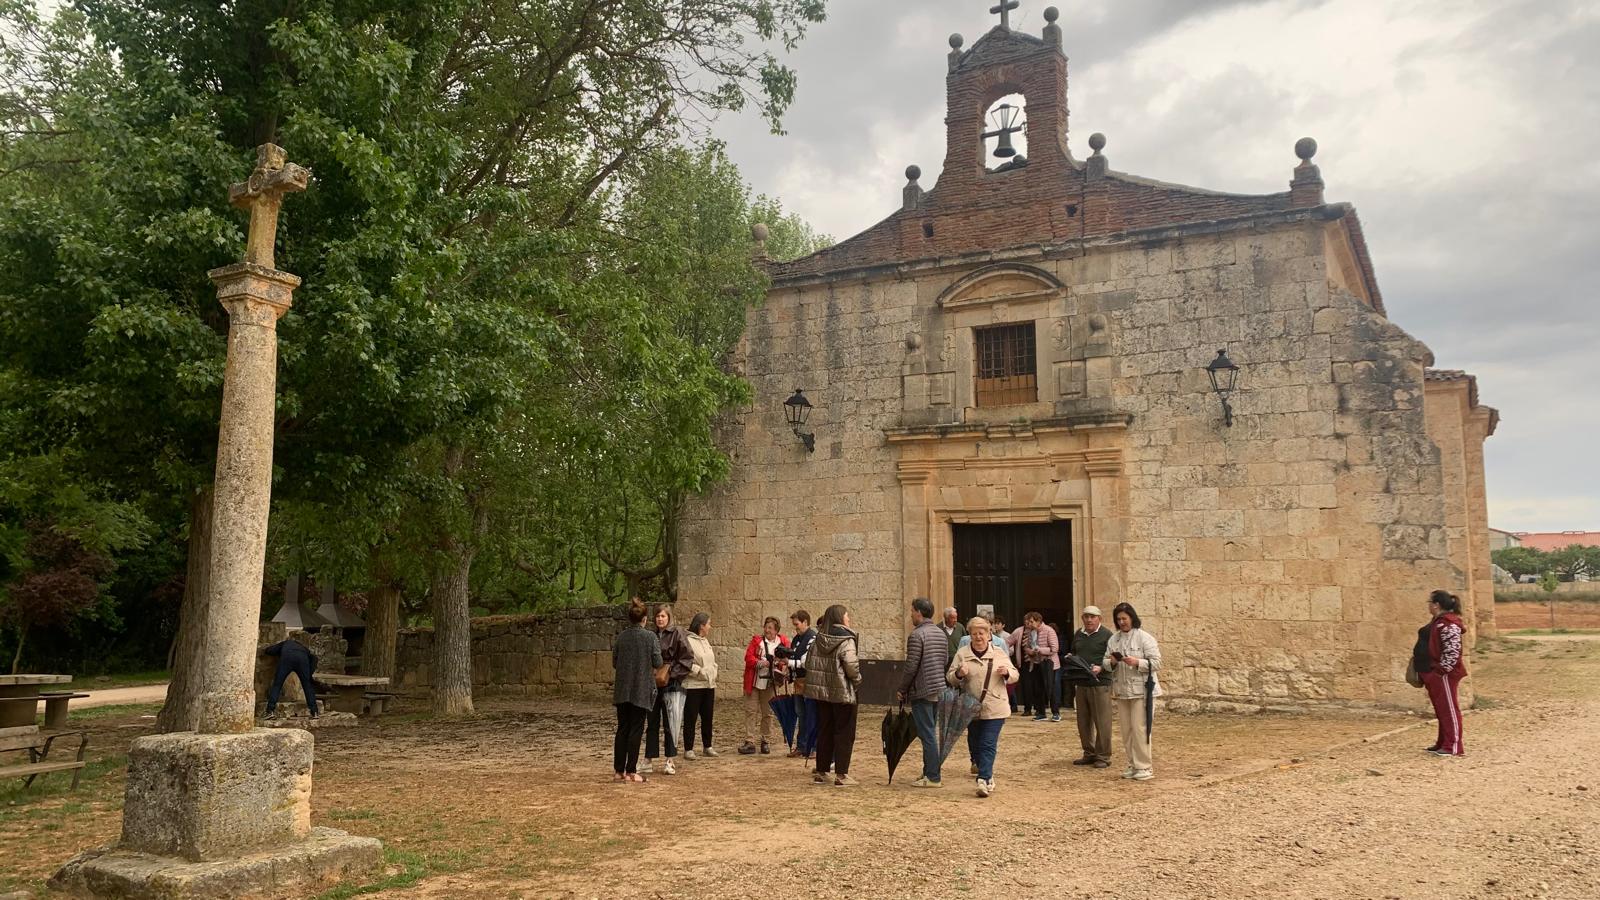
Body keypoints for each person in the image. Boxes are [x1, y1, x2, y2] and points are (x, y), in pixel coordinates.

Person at [947, 617, 1017, 798]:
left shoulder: (999, 653)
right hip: (971, 706)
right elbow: (950, 677)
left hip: (995, 705)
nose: (978, 637)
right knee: (975, 743)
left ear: (989, 634)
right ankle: (984, 770)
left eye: (982, 633)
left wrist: (1007, 673)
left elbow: (1015, 675)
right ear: (969, 635)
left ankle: (984, 779)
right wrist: (959, 674)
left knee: (988, 742)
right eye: (974, 633)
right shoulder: (962, 653)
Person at [804, 604, 863, 786]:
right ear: (840, 618)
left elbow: (809, 663)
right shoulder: (846, 640)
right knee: (844, 732)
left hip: (822, 693)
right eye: (846, 616)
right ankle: (841, 774)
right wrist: (858, 681)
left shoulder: (818, 640)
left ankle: (822, 771)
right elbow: (851, 666)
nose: (848, 619)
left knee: (825, 730)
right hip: (843, 692)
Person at [1104, 601, 1161, 781]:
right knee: (1127, 730)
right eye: (1118, 619)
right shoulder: (1114, 639)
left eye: (1124, 618)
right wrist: (1112, 662)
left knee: (1140, 729)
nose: (1122, 622)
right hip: (1122, 690)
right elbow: (1105, 662)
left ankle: (1144, 766)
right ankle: (1132, 763)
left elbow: (1157, 662)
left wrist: (1137, 662)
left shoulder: (1145, 638)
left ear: (1132, 618)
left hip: (1142, 690)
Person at [897, 597, 949, 788]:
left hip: (922, 689)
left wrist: (902, 689)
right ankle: (929, 771)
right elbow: (944, 660)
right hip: (938, 688)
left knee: (927, 734)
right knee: (930, 732)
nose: (910, 614)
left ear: (919, 612)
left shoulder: (917, 635)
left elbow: (911, 667)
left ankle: (933, 776)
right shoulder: (940, 633)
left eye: (912, 611)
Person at [613, 598, 663, 782]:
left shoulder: (621, 637)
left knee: (622, 728)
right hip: (641, 689)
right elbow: (658, 662)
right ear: (644, 619)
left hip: (622, 689)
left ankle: (618, 770)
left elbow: (615, 662)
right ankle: (631, 771)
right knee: (636, 729)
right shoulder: (650, 637)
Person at [641, 604, 692, 775]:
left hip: (671, 683)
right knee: (652, 721)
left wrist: (672, 673)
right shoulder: (651, 635)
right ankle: (648, 758)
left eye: (663, 616)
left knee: (671, 721)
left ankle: (670, 760)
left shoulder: (677, 633)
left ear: (668, 617)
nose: (660, 619)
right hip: (653, 683)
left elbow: (687, 658)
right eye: (657, 616)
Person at [1420, 590, 1468, 757]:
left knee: (1449, 709)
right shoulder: (1440, 622)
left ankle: (1453, 746)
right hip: (1437, 672)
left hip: (1444, 674)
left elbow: (1453, 650)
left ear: (1436, 604)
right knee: (1442, 709)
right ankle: (1443, 742)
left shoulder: (1449, 624)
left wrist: (1442, 671)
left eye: (1430, 602)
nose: (1428, 606)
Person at [1066, 606, 1114, 768]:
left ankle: (1103, 756)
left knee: (1102, 721)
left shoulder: (1107, 635)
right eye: (1086, 617)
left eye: (1092, 617)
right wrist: (1070, 658)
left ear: (1099, 618)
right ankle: (1089, 753)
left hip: (1101, 684)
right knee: (1083, 721)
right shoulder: (1079, 634)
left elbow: (1113, 658)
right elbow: (1074, 652)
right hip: (1082, 682)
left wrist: (1101, 667)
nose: (1089, 620)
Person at [740, 616, 790, 754]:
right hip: (755, 681)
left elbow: (787, 660)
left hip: (770, 682)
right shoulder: (757, 642)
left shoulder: (782, 643)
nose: (767, 630)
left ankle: (765, 740)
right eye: (766, 627)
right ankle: (749, 741)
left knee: (768, 713)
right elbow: (748, 657)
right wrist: (759, 662)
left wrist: (779, 665)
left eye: (770, 628)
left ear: (776, 630)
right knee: (751, 711)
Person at [682, 612, 719, 760]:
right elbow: (686, 662)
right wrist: (699, 672)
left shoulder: (705, 641)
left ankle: (707, 746)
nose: (710, 627)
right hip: (693, 685)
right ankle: (688, 748)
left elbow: (711, 660)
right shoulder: (688, 641)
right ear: (701, 626)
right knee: (691, 717)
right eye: (708, 624)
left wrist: (714, 671)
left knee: (707, 716)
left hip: (708, 685)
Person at [786, 610, 819, 761]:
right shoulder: (797, 639)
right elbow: (793, 654)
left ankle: (812, 747)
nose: (796, 628)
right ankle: (801, 746)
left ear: (805, 622)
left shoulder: (812, 638)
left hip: (809, 681)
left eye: (797, 624)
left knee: (811, 715)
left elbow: (808, 662)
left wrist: (790, 663)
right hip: (799, 682)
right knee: (801, 715)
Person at [263, 638, 319, 719]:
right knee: (307, 686)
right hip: (302, 659)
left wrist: (266, 649)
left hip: (287, 658)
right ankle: (315, 712)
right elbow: (314, 658)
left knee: (277, 684)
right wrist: (309, 674)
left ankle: (270, 711)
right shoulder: (303, 648)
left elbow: (271, 650)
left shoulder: (286, 643)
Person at [1019, 612, 1061, 721]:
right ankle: (1041, 712)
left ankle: (1055, 712)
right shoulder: (1030, 632)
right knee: (1038, 689)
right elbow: (1027, 647)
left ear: (1038, 621)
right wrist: (1030, 652)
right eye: (1028, 622)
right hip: (1036, 663)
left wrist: (1040, 650)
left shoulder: (1049, 630)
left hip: (1049, 663)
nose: (1030, 624)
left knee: (1050, 688)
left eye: (1032, 621)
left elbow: (1054, 648)